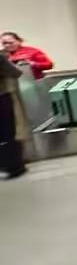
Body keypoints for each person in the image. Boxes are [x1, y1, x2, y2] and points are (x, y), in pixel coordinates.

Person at [0, 48, 27, 178]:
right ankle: (15, 166)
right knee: (9, 132)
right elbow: (16, 73)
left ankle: (4, 164)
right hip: (2, 98)